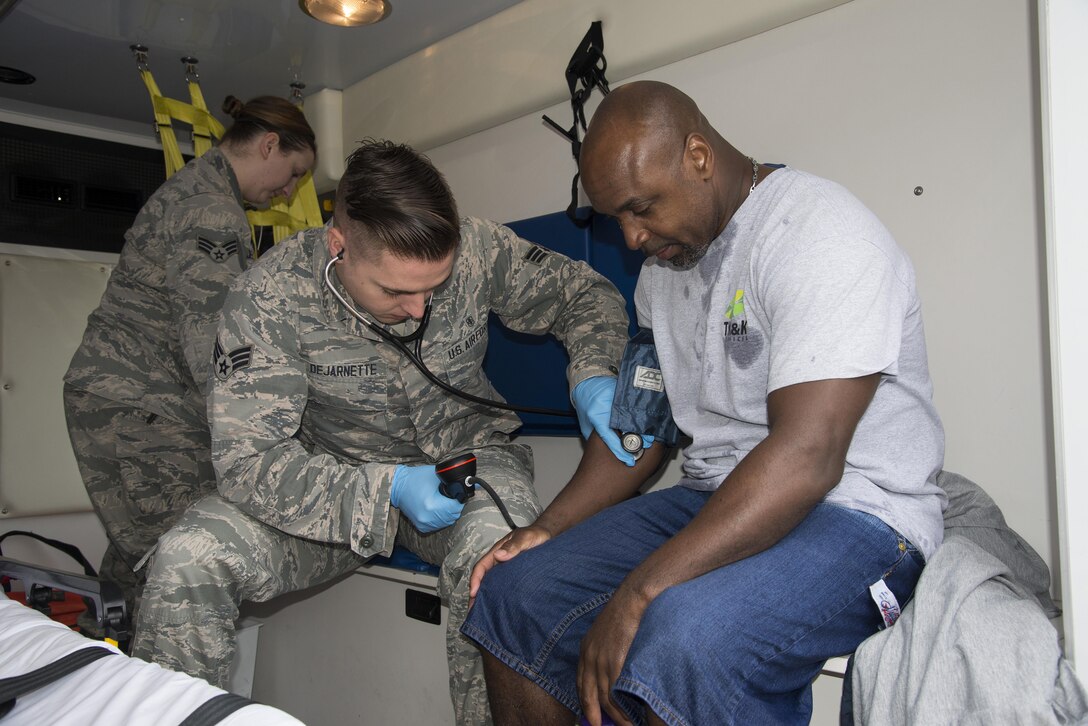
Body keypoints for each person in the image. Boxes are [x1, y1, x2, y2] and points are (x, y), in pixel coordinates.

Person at [462, 80, 948, 726]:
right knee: (516, 592)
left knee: (684, 637)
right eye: (617, 221)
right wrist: (546, 528)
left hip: (856, 511)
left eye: (641, 209)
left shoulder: (820, 234)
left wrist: (641, 589)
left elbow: (809, 456)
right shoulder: (663, 272)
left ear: (698, 157)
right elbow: (642, 428)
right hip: (716, 494)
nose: (631, 239)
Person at [130, 139, 632, 724]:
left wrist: (593, 374)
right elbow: (250, 464)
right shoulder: (269, 297)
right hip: (332, 490)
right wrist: (386, 490)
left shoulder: (477, 247)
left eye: (434, 288)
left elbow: (583, 294)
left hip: (469, 465)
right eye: (395, 291)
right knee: (186, 557)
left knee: (504, 571)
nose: (420, 309)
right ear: (337, 246)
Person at [63, 95, 317, 637]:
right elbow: (214, 343)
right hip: (139, 403)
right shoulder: (212, 208)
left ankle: (87, 668)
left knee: (141, 557)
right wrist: (270, 431)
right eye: (294, 173)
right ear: (269, 145)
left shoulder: (200, 190)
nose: (290, 190)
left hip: (132, 399)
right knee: (186, 558)